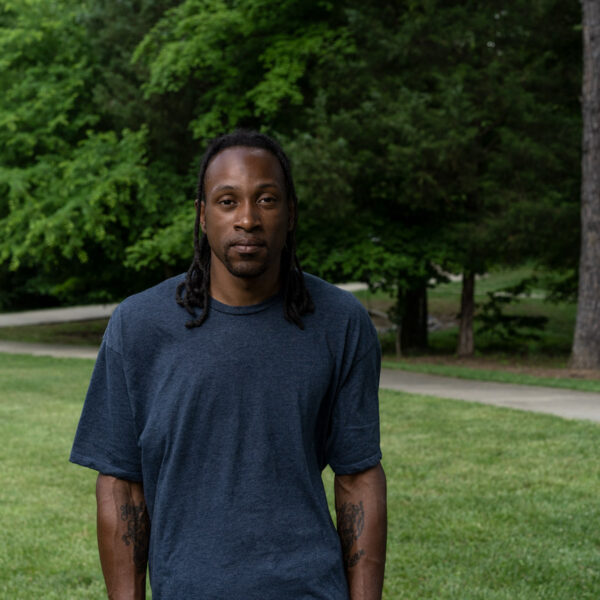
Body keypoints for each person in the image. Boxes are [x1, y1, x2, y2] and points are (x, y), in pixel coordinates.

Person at [70, 130, 387, 600]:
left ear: (291, 213)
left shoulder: (340, 322)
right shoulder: (138, 326)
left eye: (267, 199)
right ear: (203, 216)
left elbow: (358, 477)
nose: (247, 219)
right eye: (227, 201)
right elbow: (122, 485)